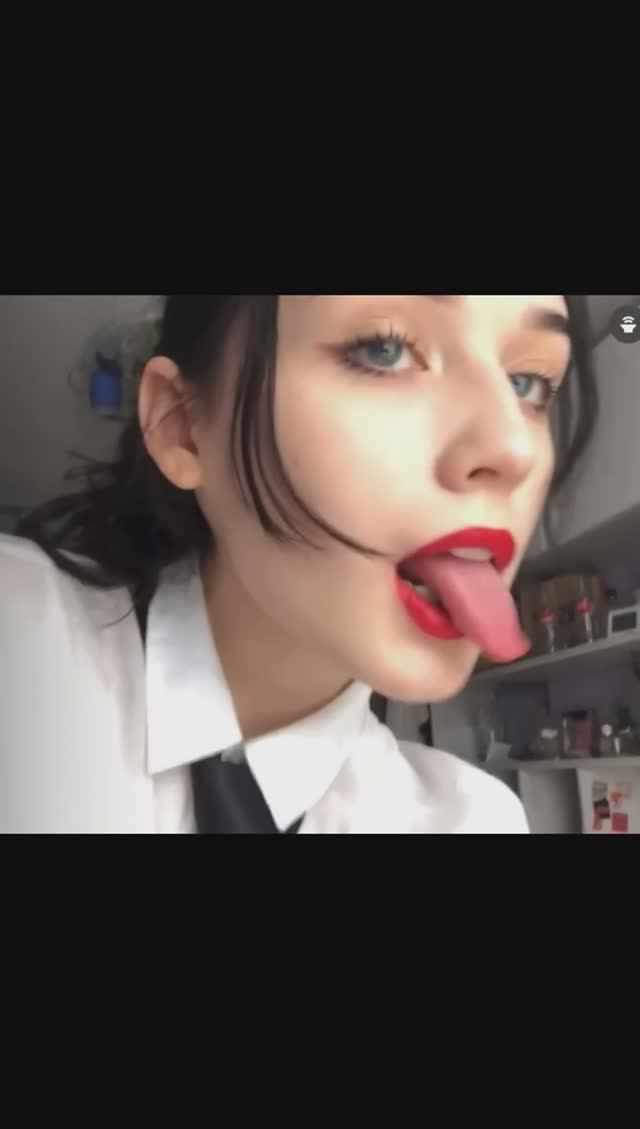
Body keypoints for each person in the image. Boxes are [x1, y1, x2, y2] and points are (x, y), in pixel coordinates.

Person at [1, 295, 598, 833]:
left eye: (528, 383)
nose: (512, 447)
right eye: (384, 348)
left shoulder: (473, 822)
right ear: (183, 427)